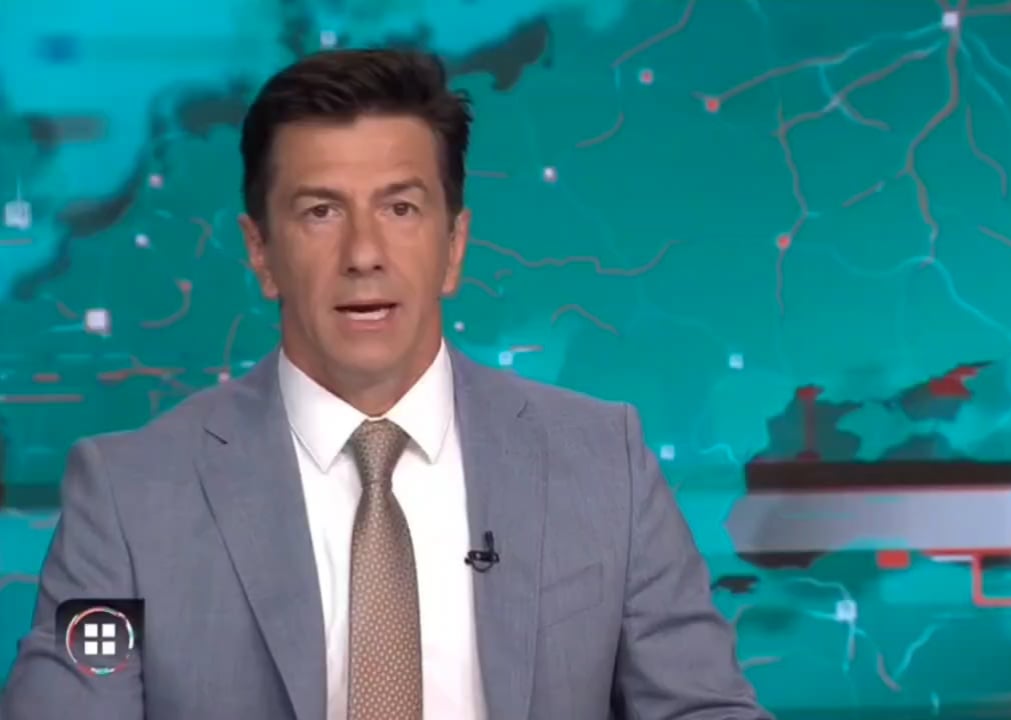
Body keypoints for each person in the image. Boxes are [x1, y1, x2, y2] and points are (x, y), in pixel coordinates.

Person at [0, 49, 771, 720]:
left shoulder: (604, 464)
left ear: (454, 245)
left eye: (401, 208)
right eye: (320, 211)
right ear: (261, 251)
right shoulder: (129, 498)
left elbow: (701, 707)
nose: (364, 253)